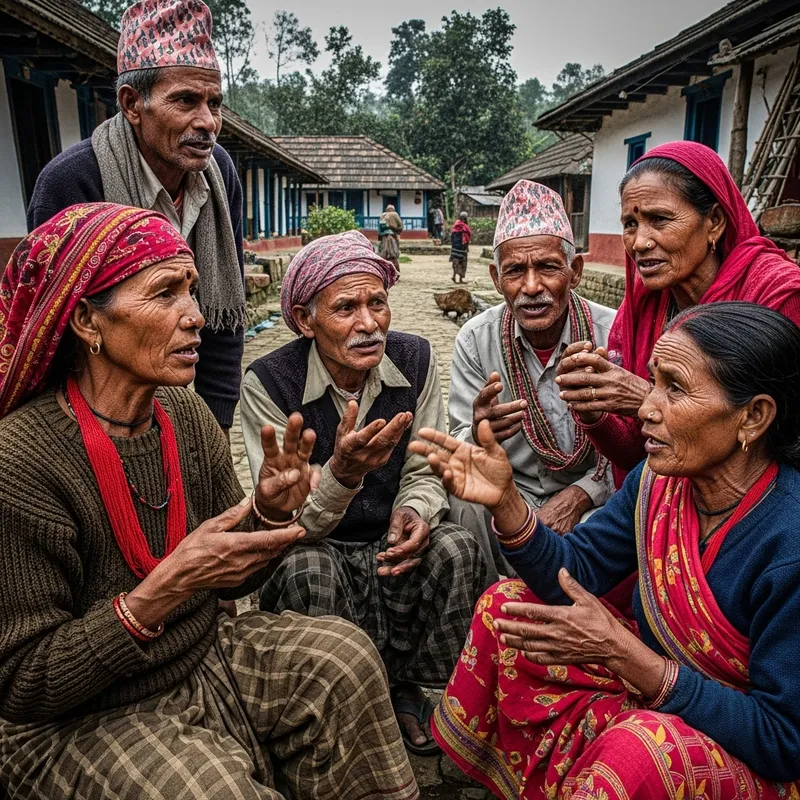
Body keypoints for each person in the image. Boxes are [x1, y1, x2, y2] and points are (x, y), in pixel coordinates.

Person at [0, 204, 420, 800]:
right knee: (208, 789)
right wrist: (161, 592)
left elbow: (227, 585)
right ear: (89, 322)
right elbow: (23, 683)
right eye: (165, 294)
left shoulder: (183, 414)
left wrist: (270, 514)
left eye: (191, 292)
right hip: (76, 715)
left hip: (199, 653)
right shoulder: (20, 460)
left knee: (344, 660)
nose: (196, 317)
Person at [410, 302, 800, 798]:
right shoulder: (658, 485)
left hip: (748, 748)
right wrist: (507, 502)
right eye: (653, 382)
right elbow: (576, 571)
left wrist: (626, 655)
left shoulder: (789, 541)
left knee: (635, 753)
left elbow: (785, 740)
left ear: (754, 417)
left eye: (674, 388)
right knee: (506, 608)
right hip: (660, 689)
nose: (646, 408)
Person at [240, 230, 487, 756]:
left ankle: (406, 688)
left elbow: (423, 466)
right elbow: (290, 521)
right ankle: (342, 705)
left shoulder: (415, 359)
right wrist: (343, 474)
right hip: (317, 544)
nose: (369, 323)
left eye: (377, 302)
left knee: (454, 548)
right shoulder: (268, 381)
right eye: (345, 307)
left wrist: (414, 510)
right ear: (306, 320)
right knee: (308, 571)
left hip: (386, 540)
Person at [26, 0, 245, 432]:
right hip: (96, 410)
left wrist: (215, 424)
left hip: (186, 399)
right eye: (185, 100)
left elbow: (224, 318)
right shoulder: (74, 183)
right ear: (131, 104)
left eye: (214, 103)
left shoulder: (220, 175)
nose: (207, 122)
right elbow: (52, 334)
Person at [556, 141, 800, 486]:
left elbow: (783, 441)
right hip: (664, 497)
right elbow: (636, 453)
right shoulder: (640, 311)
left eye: (659, 219)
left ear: (714, 221)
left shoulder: (778, 297)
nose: (639, 242)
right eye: (630, 223)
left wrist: (647, 396)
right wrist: (594, 409)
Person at [448, 180, 615, 583]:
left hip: (589, 492)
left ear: (574, 272)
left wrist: (581, 496)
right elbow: (459, 448)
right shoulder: (475, 340)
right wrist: (477, 431)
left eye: (547, 267)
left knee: (624, 515)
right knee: (465, 503)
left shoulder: (611, 333)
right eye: (516, 271)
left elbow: (641, 446)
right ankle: (495, 608)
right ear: (495, 278)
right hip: (510, 489)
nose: (532, 287)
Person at [378, 204, 404, 270]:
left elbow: (379, 230)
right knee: (393, 255)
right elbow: (400, 227)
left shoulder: (382, 216)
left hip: (384, 237)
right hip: (392, 237)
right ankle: (395, 272)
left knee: (384, 254)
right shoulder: (395, 214)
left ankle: (384, 271)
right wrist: (394, 229)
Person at [450, 211, 471, 282]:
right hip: (462, 247)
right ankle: (460, 279)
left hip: (455, 247)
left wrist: (453, 246)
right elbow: (467, 238)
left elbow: (452, 237)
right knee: (462, 262)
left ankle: (454, 276)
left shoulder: (455, 226)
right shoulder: (465, 227)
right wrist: (467, 247)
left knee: (456, 262)